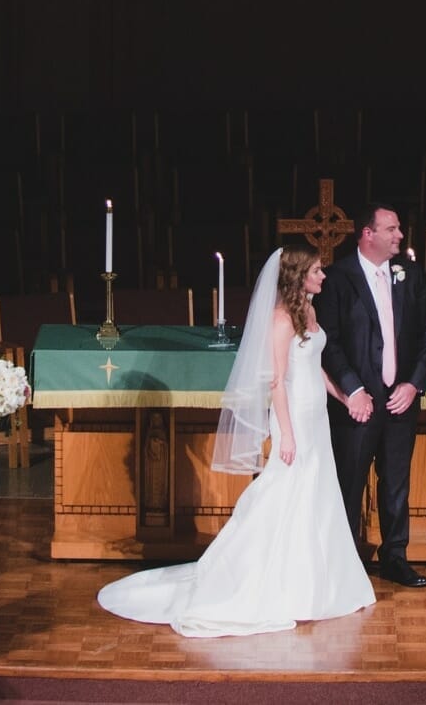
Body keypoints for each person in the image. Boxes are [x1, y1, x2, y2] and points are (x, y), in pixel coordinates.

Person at [97, 240, 375, 635]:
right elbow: (276, 381)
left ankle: (316, 581)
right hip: (293, 416)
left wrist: (344, 396)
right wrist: (288, 436)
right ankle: (262, 575)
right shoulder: (280, 320)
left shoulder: (309, 311)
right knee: (287, 488)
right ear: (299, 276)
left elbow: (314, 366)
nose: (323, 276)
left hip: (317, 416)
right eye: (316, 271)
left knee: (317, 491)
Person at [314, 202, 426, 588]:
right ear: (367, 234)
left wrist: (413, 383)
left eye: (398, 229)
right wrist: (352, 390)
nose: (399, 235)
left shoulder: (410, 275)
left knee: (396, 482)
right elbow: (329, 341)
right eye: (392, 229)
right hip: (357, 404)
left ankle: (395, 557)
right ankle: (345, 561)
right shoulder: (337, 278)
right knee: (350, 482)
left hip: (400, 401)